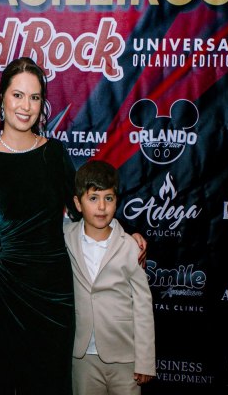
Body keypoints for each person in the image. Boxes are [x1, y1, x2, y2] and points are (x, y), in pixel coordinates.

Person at [0, 57, 147, 394]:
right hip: (4, 293)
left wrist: (126, 236)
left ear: (42, 105)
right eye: (18, 95)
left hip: (53, 294)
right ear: (2, 98)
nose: (26, 106)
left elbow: (86, 208)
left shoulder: (53, 154)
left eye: (35, 97)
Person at [65, 160, 156, 395]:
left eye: (108, 198)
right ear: (78, 203)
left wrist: (145, 360)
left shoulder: (131, 246)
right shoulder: (65, 237)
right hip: (82, 356)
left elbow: (143, 305)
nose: (102, 207)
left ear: (117, 201)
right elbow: (30, 239)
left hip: (125, 356)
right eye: (93, 198)